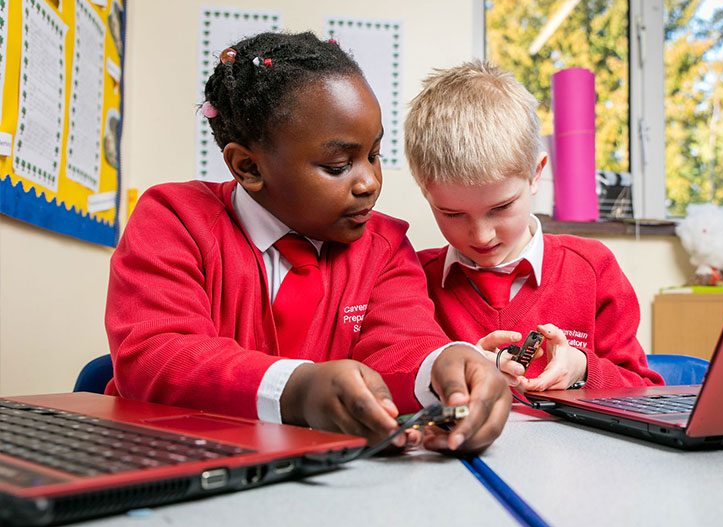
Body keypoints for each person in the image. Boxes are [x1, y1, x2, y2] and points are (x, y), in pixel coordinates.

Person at [105, 33, 510, 455]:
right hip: (172, 459)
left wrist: (443, 367)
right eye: (338, 165)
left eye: (373, 154)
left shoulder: (385, 245)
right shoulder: (174, 218)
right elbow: (156, 356)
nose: (370, 182)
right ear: (248, 167)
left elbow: (403, 343)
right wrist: (294, 390)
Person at [405, 61, 663, 392]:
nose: (482, 235)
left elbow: (642, 388)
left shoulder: (592, 269)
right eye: (452, 214)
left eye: (501, 208)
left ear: (536, 174)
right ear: (426, 193)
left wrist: (582, 368)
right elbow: (396, 384)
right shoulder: (412, 279)